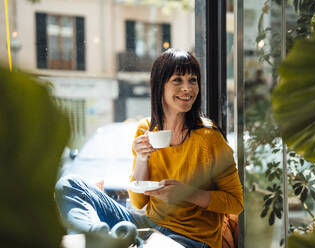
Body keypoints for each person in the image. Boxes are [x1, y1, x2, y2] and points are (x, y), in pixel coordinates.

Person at [55, 48, 243, 248]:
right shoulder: (145, 130)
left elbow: (235, 202)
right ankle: (99, 235)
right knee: (69, 184)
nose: (188, 88)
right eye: (178, 80)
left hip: (191, 240)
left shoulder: (209, 138)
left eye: (193, 80)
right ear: (159, 85)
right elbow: (138, 202)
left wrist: (187, 193)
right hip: (150, 225)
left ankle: (127, 242)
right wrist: (142, 158)